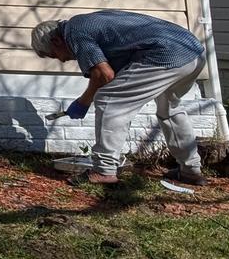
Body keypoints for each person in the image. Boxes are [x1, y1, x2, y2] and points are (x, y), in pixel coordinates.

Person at [29, 11, 208, 186]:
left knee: (109, 101)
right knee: (169, 109)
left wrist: (83, 101)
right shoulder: (92, 23)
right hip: (193, 52)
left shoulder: (75, 32)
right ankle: (190, 169)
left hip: (166, 54)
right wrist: (86, 99)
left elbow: (104, 75)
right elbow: (113, 71)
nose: (61, 60)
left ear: (56, 41)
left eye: (54, 55)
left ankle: (103, 170)